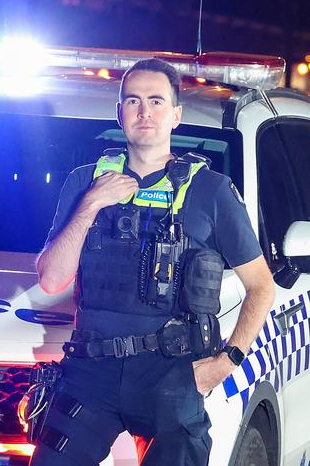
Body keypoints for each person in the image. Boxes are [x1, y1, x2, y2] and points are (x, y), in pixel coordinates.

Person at [30, 58, 274, 465]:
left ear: (176, 115)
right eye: (133, 101)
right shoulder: (84, 183)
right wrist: (90, 204)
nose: (145, 112)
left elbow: (261, 286)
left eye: (157, 101)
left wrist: (227, 361)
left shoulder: (210, 192)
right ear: (119, 112)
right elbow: (52, 280)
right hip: (92, 370)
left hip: (171, 373)